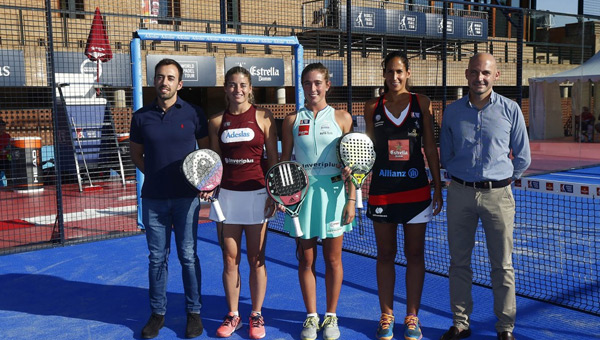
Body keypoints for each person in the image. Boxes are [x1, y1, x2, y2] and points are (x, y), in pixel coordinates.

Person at [439, 53, 531, 340]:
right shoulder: (452, 112)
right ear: (466, 74)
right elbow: (447, 153)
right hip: (460, 194)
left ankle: (505, 328)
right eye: (475, 72)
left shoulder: (511, 109)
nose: (480, 78)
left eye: (486, 73)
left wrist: (501, 180)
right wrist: (463, 178)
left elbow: (523, 157)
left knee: (502, 265)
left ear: (496, 76)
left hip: (499, 197)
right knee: (458, 262)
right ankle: (460, 323)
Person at [364, 51, 443, 340]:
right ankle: (386, 316)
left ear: (408, 73)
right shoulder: (372, 106)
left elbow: (430, 148)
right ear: (383, 74)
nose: (394, 77)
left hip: (416, 191)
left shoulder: (421, 103)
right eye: (389, 72)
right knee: (385, 254)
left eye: (399, 72)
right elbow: (368, 149)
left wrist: (436, 185)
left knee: (415, 254)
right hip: (383, 192)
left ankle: (412, 317)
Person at [129, 58, 208, 339]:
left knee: (188, 257)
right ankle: (158, 313)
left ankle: (193, 313)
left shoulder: (194, 113)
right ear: (154, 81)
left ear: (180, 83)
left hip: (187, 199)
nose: (165, 82)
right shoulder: (140, 117)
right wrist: (155, 173)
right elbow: (136, 155)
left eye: (171, 78)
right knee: (156, 259)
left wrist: (201, 183)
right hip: (153, 198)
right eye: (160, 77)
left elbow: (207, 157)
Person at [280, 62, 355, 340]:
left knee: (333, 260)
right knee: (306, 259)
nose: (313, 88)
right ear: (302, 86)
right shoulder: (291, 120)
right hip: (301, 198)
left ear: (327, 85)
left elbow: (353, 164)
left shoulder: (343, 118)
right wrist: (283, 196)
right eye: (308, 83)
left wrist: (351, 198)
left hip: (335, 196)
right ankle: (311, 316)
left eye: (318, 83)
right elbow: (286, 162)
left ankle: (331, 316)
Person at [207, 66, 278, 339]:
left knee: (256, 258)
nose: (238, 90)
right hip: (226, 197)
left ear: (251, 89)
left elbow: (273, 158)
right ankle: (234, 313)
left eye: (243, 85)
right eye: (233, 85)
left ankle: (256, 314)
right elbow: (214, 163)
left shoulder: (263, 116)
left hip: (258, 195)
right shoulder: (216, 121)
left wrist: (274, 193)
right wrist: (209, 188)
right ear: (226, 88)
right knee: (229, 258)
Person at [0, 118, 10, 186]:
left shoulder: (7, 136)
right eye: (1, 128)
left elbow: (9, 146)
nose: (3, 129)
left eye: (4, 128)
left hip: (6, 159)